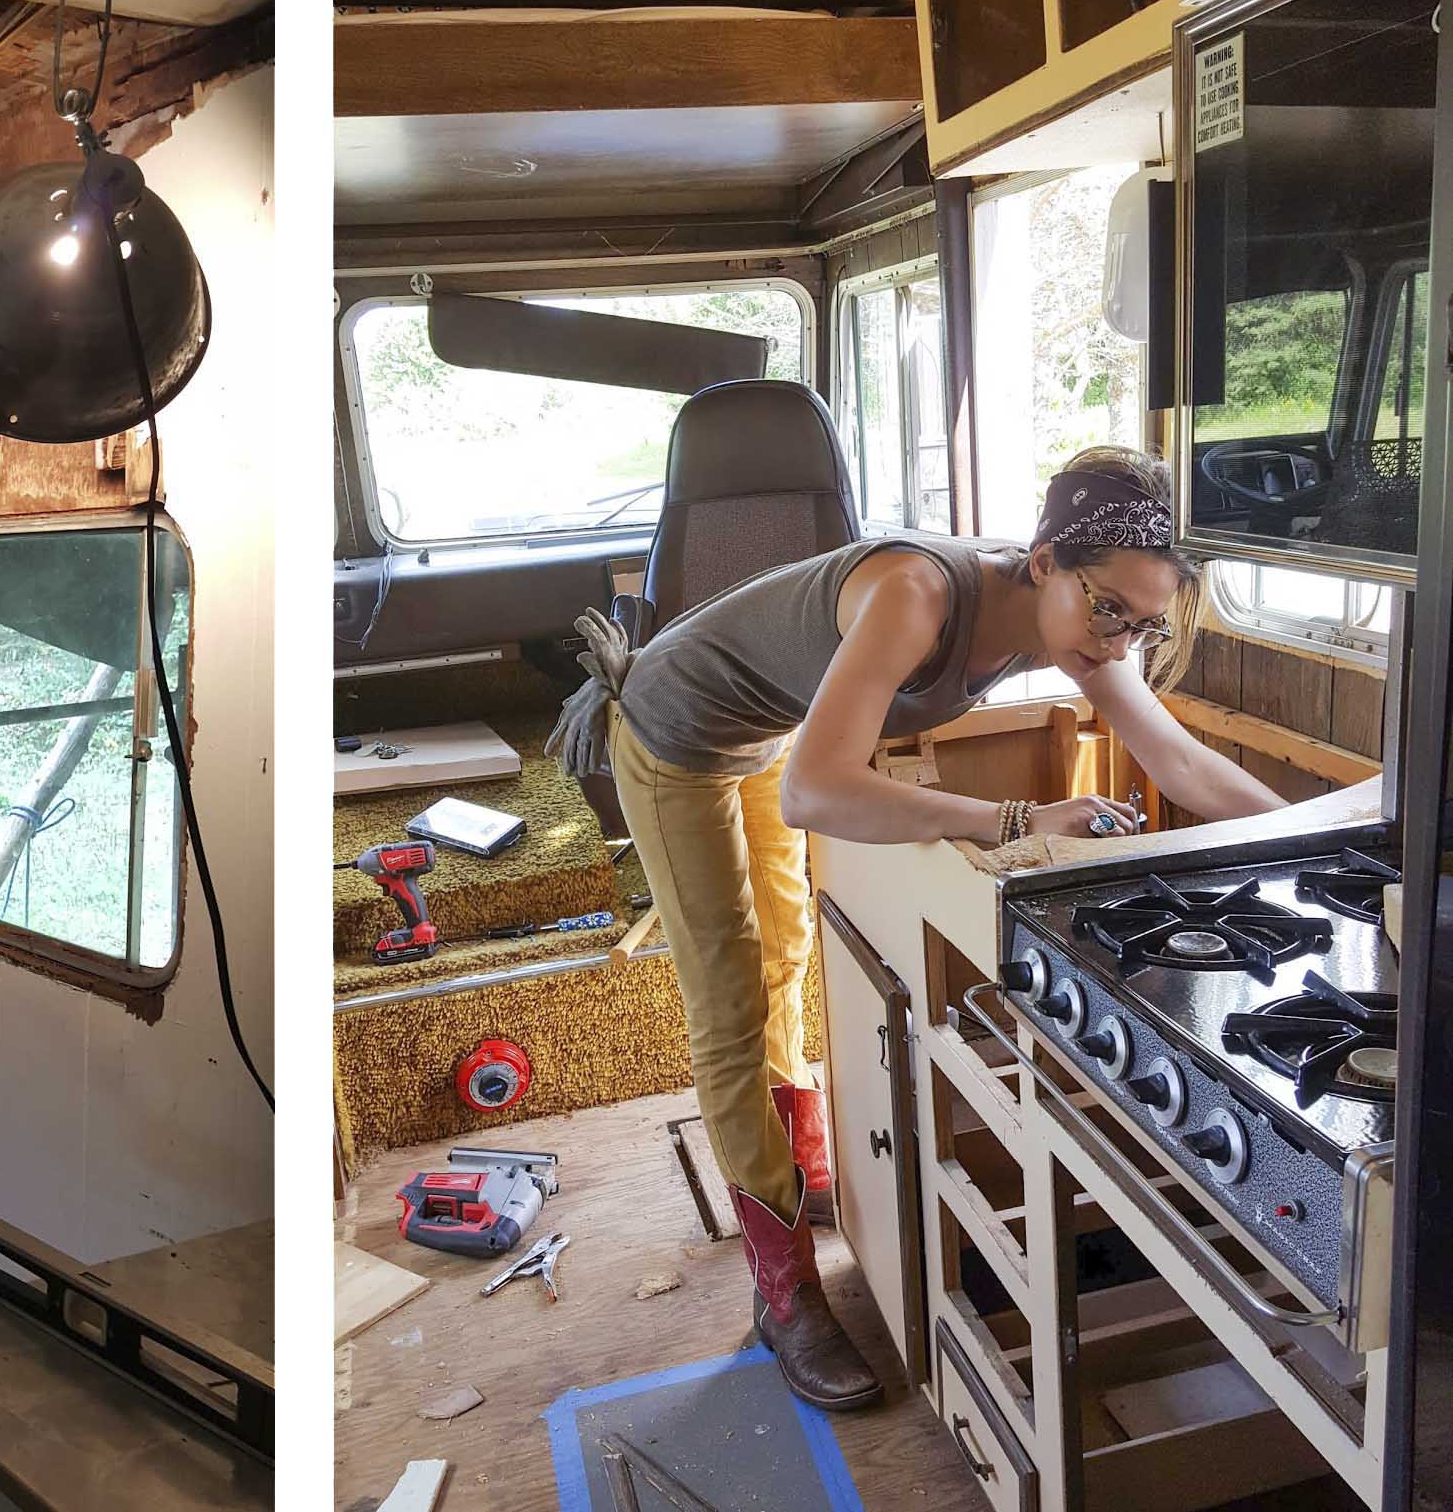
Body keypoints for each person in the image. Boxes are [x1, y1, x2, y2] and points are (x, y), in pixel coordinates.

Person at [549, 444, 1285, 1411]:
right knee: (727, 998)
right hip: (673, 731)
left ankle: (797, 1164)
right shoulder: (917, 594)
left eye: (1144, 625)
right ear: (1043, 559)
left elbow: (1182, 764)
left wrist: (1330, 838)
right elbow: (819, 790)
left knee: (787, 957)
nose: (1117, 644)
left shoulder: (1078, 627)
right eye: (1109, 609)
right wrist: (1017, 822)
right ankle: (786, 1291)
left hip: (769, 730)